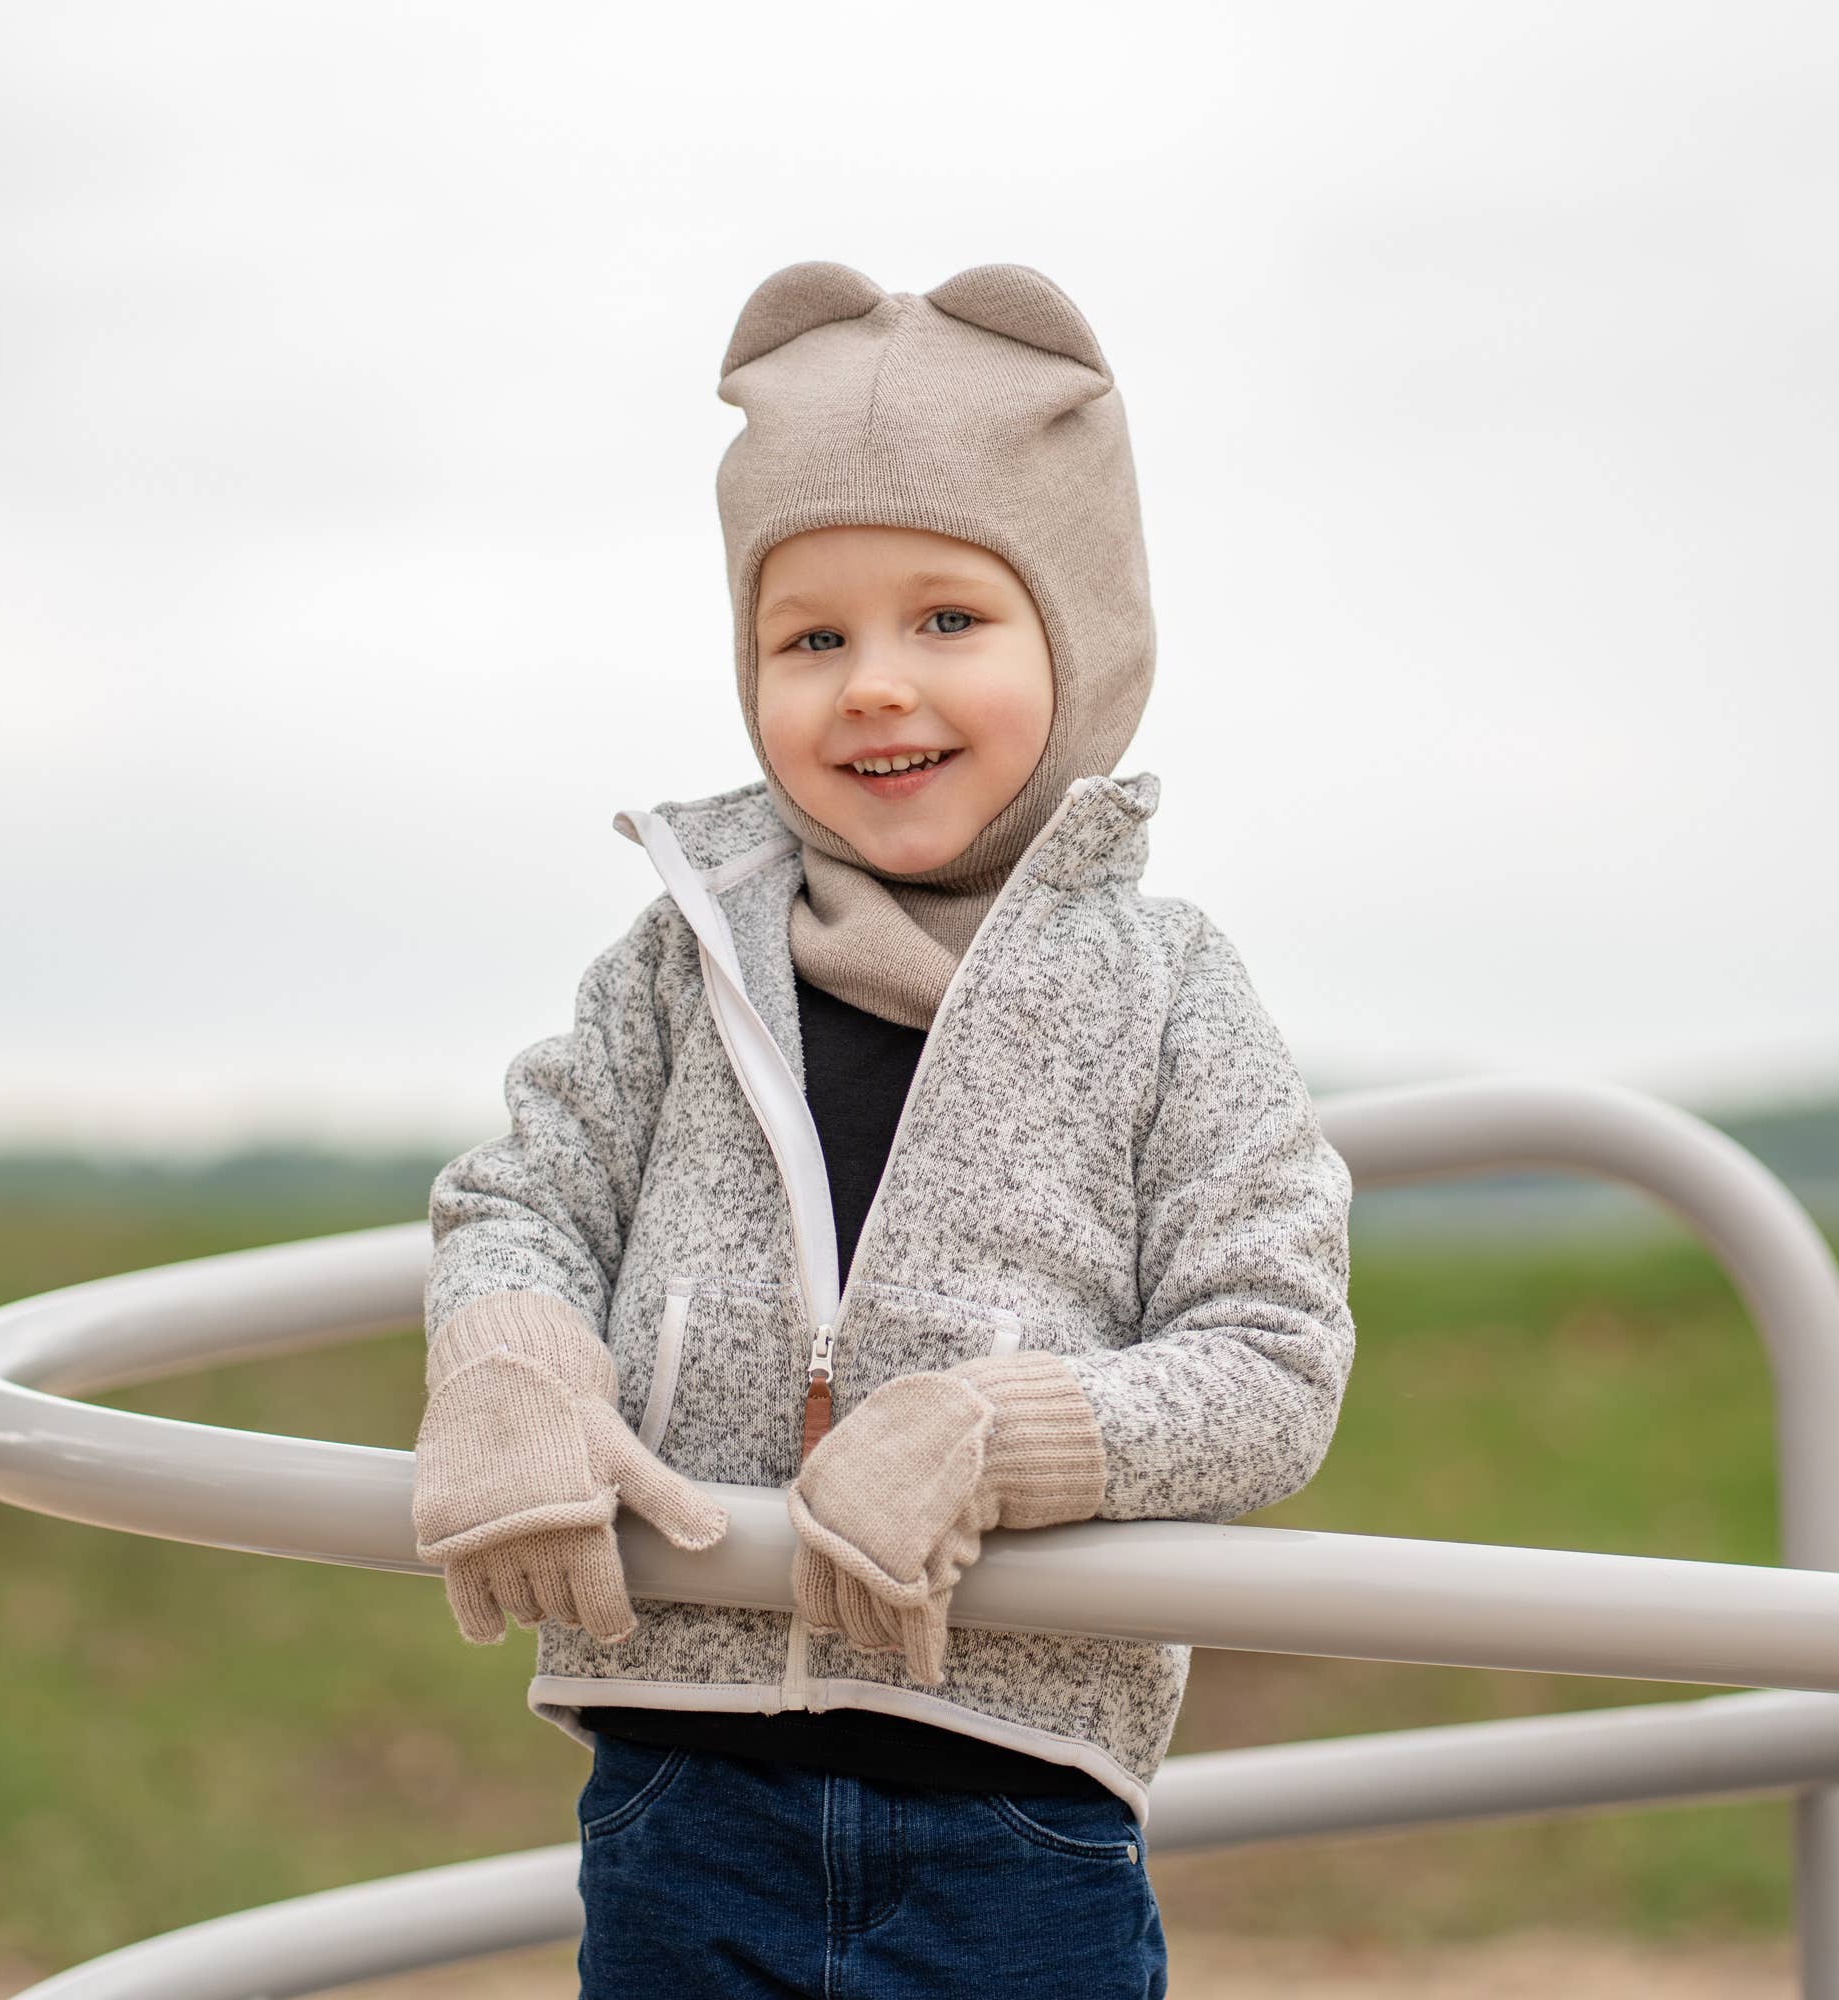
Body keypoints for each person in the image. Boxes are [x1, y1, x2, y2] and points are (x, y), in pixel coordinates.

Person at [410, 260, 1356, 1999]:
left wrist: (997, 1436)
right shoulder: (680, 960)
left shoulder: (1168, 990)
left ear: (1082, 641)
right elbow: (525, 1198)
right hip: (679, 1792)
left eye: (948, 620)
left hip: (1017, 1816)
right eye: (812, 638)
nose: (872, 686)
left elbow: (1274, 1362)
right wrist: (512, 1362)